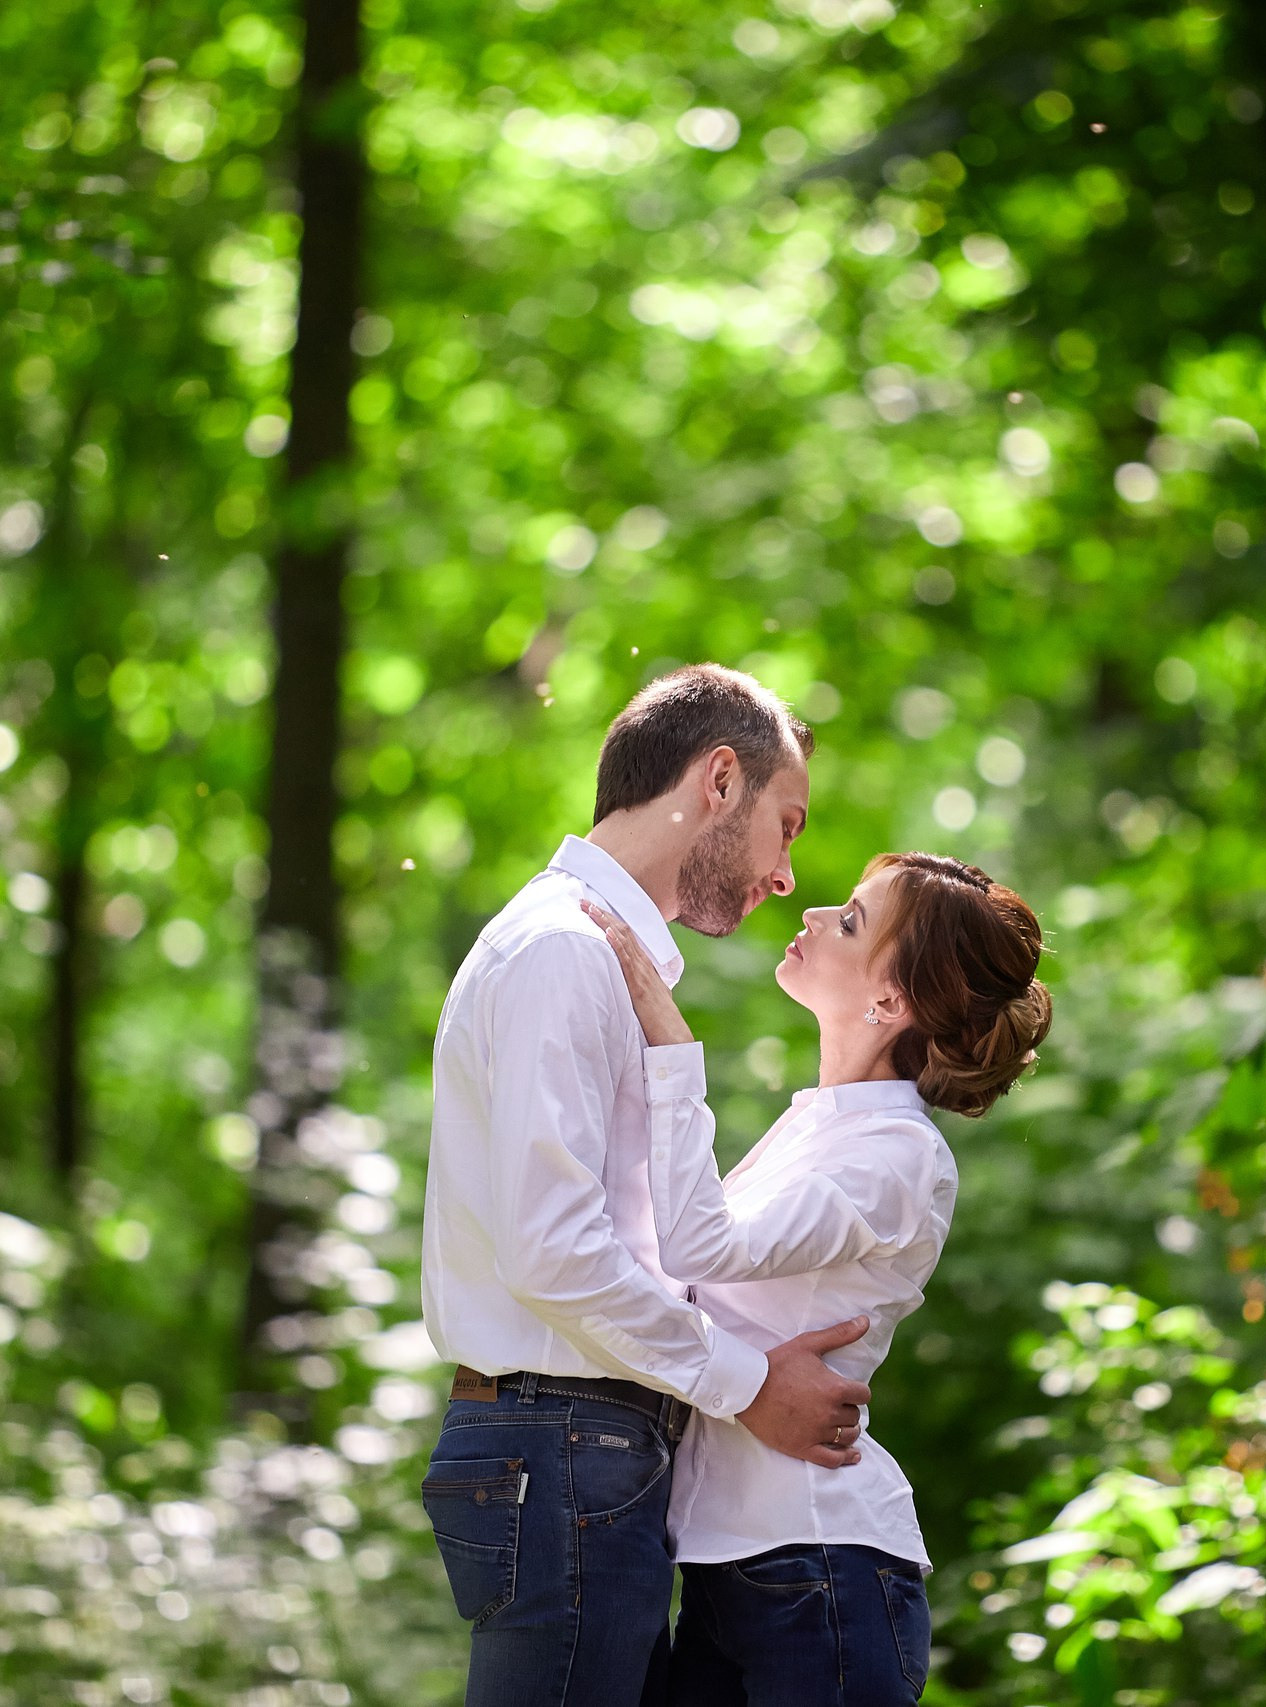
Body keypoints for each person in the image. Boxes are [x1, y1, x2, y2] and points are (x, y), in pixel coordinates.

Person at [419, 664, 879, 1707]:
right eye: (787, 824)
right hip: (561, 1443)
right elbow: (555, 1253)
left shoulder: (585, 950)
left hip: (577, 1446)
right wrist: (750, 1384)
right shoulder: (562, 954)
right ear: (719, 781)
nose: (784, 876)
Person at [580, 850, 1053, 1707]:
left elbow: (695, 1246)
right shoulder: (818, 1127)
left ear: (888, 1002)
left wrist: (672, 1046)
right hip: (731, 1567)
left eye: (850, 921)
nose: (811, 913)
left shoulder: (899, 1156)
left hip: (822, 1571)